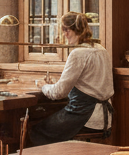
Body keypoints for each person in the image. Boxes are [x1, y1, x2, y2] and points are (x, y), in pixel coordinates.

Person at [28, 12, 114, 146]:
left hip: (85, 117)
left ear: (74, 30)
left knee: (35, 131)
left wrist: (43, 86)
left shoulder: (78, 53)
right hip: (104, 119)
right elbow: (88, 84)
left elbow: (58, 93)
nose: (64, 35)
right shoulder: (101, 49)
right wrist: (55, 84)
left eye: (66, 30)